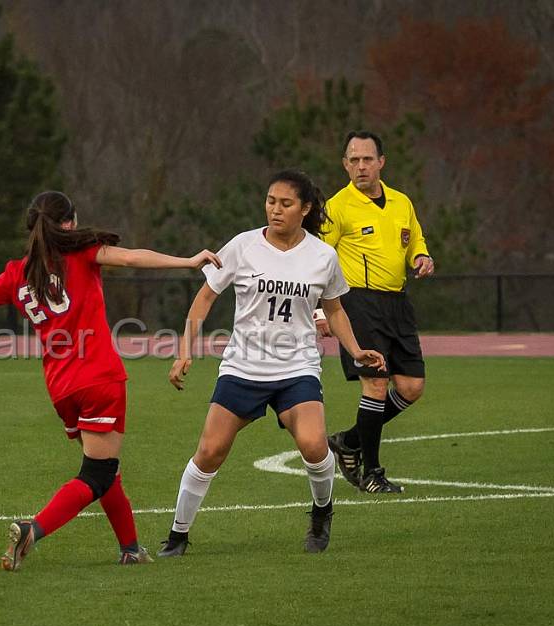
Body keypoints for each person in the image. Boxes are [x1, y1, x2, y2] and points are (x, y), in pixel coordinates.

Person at [0, 190, 221, 570]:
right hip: (99, 377)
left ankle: (130, 549)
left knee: (107, 467)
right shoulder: (82, 253)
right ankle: (33, 530)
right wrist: (189, 261)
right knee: (97, 473)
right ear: (69, 222)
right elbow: (131, 257)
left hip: (62, 387)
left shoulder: (17, 273)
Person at [159, 170, 385, 557]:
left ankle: (321, 512)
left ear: (306, 208)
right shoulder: (243, 246)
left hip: (296, 368)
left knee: (315, 446)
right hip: (243, 367)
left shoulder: (322, 256)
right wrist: (184, 350)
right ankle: (178, 536)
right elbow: (204, 298)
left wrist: (355, 349)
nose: (275, 210)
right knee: (210, 451)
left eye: (285, 203)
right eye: (270, 201)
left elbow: (335, 310)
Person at [317, 130, 435, 494]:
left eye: (367, 159)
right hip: (357, 304)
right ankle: (372, 472)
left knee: (412, 387)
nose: (360, 166)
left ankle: (350, 439)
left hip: (398, 303)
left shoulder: (402, 202)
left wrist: (422, 255)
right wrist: (320, 314)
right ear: (344, 164)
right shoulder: (337, 207)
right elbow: (317, 261)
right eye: (353, 160)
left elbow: (414, 237)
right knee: (377, 383)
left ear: (381, 162)